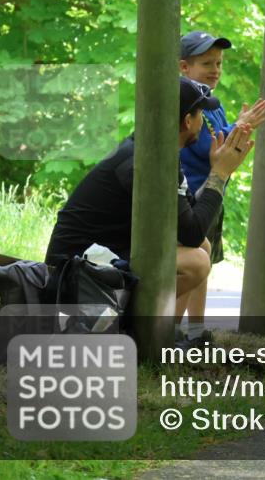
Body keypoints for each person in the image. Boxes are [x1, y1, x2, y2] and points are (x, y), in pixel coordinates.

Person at [46, 78, 254, 344]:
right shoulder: (147, 161)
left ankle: (157, 333)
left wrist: (217, 170)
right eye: (201, 114)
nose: (204, 122)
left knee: (202, 247)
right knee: (196, 262)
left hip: (98, 261)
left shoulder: (155, 152)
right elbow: (189, 232)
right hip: (74, 275)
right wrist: (220, 174)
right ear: (188, 121)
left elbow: (191, 223)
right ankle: (129, 332)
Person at [178, 30, 265, 344]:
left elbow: (224, 147)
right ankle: (173, 329)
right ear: (184, 67)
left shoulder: (212, 104)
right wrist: (240, 126)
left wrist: (238, 132)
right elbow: (207, 146)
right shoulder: (188, 101)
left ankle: (195, 328)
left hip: (214, 192)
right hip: (193, 196)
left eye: (218, 63)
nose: (216, 69)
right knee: (194, 260)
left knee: (203, 264)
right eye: (207, 63)